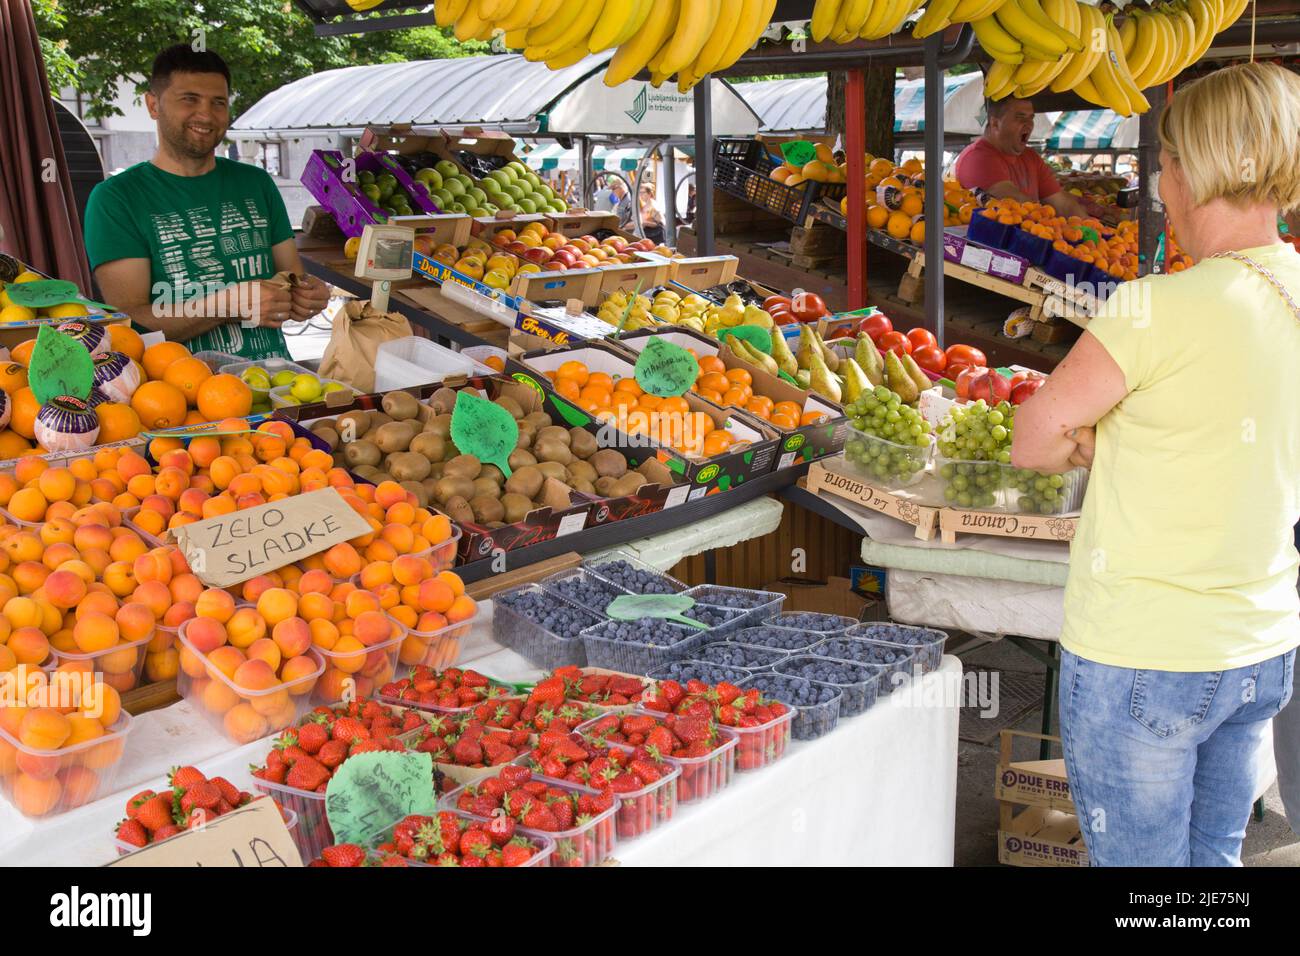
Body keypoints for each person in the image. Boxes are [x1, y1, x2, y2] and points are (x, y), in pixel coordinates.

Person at [1010, 62, 1300, 867]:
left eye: (1166, 162)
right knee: (1211, 869)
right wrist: (1139, 443)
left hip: (1147, 655)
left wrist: (1096, 441)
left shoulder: (1153, 308)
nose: (1158, 180)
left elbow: (1031, 440)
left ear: (1203, 168)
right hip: (1262, 645)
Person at [83, 44, 329, 360]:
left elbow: (293, 278)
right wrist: (226, 304)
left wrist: (309, 295)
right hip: (177, 395)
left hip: (275, 380)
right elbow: (128, 323)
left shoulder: (256, 183)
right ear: (153, 104)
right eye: (190, 99)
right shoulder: (116, 198)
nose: (206, 114)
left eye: (218, 103)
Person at [954, 97, 1091, 218]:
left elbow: (1062, 203)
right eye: (1020, 118)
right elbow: (1014, 201)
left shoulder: (1030, 157)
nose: (1029, 124)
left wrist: (1092, 228)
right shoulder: (978, 158)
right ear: (995, 124)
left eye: (1031, 118)